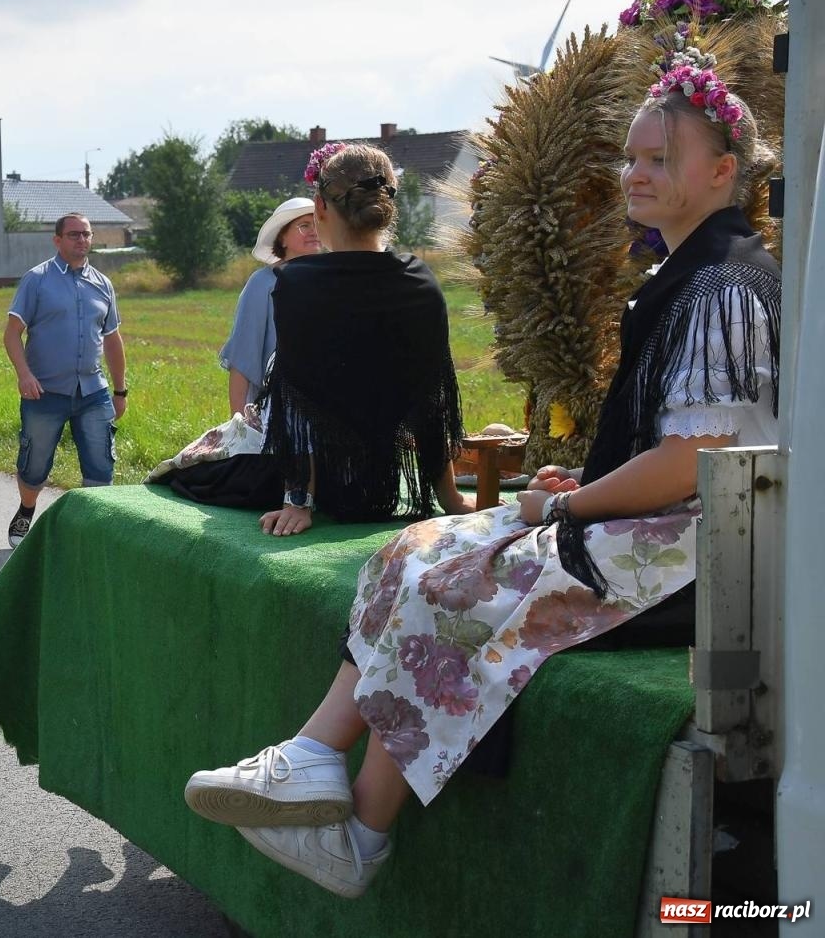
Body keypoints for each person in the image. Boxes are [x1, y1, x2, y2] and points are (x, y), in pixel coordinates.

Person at [182, 68, 781, 898]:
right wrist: (589, 479)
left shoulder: (722, 286)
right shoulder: (696, 274)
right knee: (415, 547)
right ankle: (316, 756)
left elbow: (693, 464)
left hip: (695, 554)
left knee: (456, 584)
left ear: (725, 170)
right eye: (632, 157)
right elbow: (680, 443)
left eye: (660, 158)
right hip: (666, 524)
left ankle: (361, 831)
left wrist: (565, 503)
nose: (635, 174)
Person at [253, 143, 469, 540]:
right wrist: (450, 497)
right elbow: (432, 400)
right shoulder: (421, 282)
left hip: (323, 484)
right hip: (388, 481)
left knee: (199, 467)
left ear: (320, 207)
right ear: (389, 208)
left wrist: (298, 500)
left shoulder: (296, 285)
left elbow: (297, 398)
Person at [2, 213, 127, 548]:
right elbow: (12, 334)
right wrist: (23, 375)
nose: (81, 240)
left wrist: (120, 390)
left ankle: (92, 531)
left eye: (86, 234)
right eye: (74, 235)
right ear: (57, 240)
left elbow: (113, 339)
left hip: (93, 392)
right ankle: (26, 510)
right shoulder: (36, 280)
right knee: (34, 465)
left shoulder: (102, 283)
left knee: (101, 464)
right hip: (44, 392)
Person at [220, 197, 319, 417]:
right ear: (281, 238)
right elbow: (244, 354)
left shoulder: (330, 280)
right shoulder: (263, 283)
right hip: (277, 409)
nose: (313, 231)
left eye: (317, 224)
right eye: (304, 225)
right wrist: (237, 422)